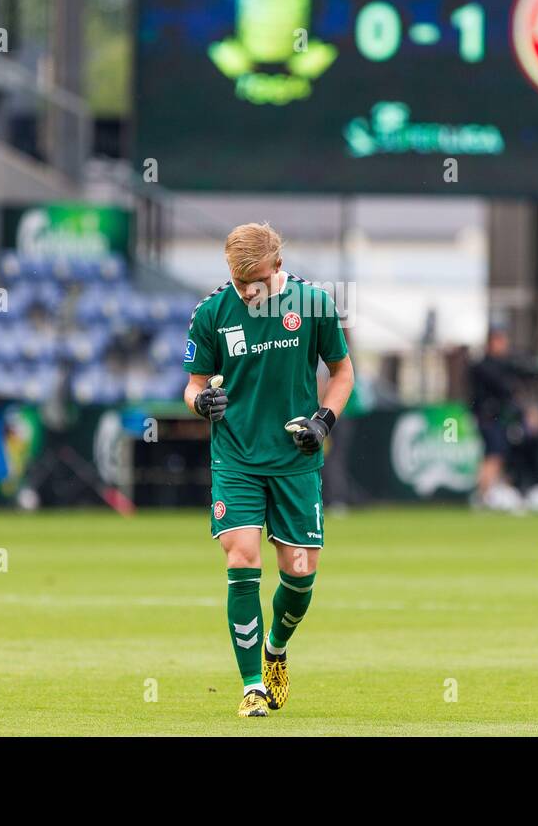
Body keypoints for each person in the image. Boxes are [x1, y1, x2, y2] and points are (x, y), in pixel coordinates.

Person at [183, 222, 353, 718]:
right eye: (239, 283)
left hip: (295, 459)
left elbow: (342, 372)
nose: (248, 291)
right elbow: (192, 386)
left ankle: (275, 648)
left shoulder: (315, 304)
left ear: (277, 266)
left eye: (255, 280)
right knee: (242, 560)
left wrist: (323, 420)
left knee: (299, 574)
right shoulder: (211, 312)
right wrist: (202, 402)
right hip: (236, 457)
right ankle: (252, 685)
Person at [468, 327, 538, 511]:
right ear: (492, 343)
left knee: (501, 454)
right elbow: (504, 386)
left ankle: (492, 493)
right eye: (500, 341)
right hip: (487, 418)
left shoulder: (503, 364)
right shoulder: (483, 366)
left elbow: (525, 372)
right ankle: (482, 496)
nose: (504, 345)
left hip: (498, 418)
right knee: (494, 454)